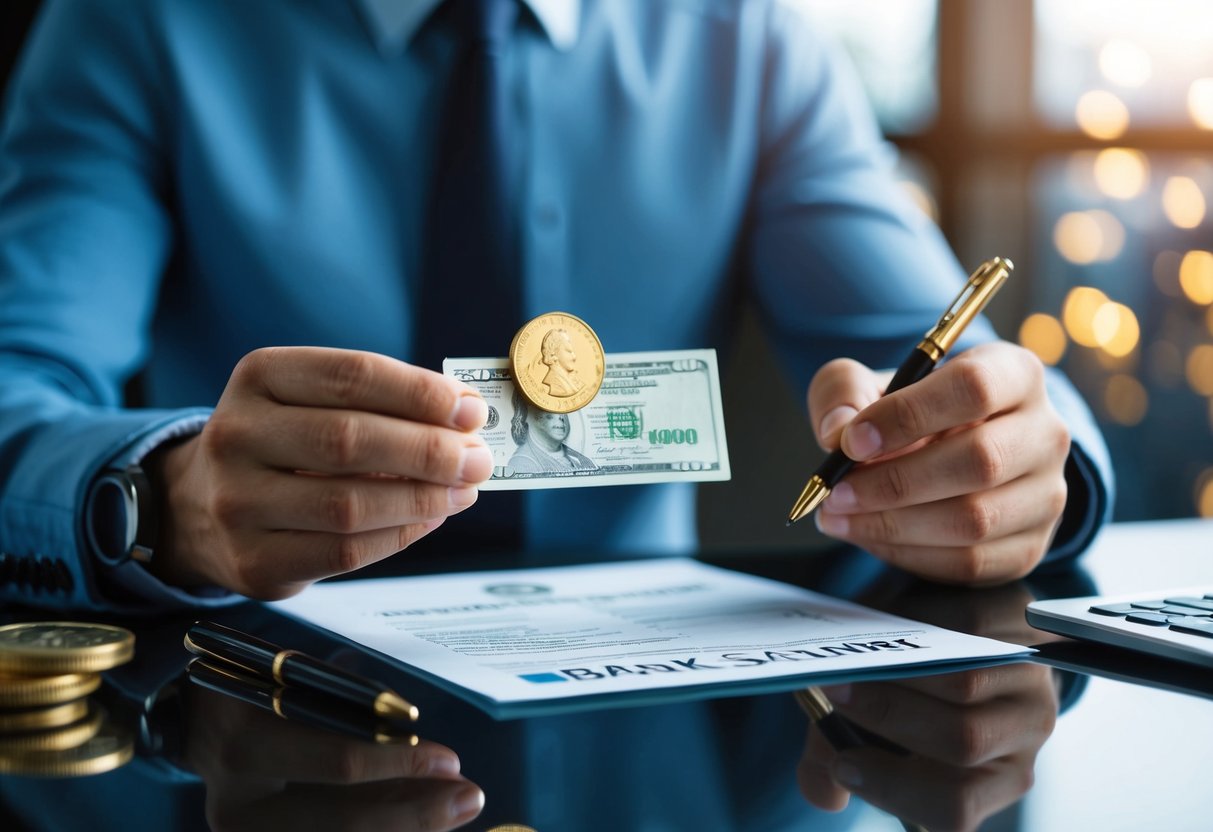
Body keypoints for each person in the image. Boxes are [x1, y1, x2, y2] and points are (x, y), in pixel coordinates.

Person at [0, 0, 1112, 613]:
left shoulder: (750, 39)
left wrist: (1020, 465)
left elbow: (945, 375)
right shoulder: (132, 23)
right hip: (258, 693)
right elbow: (15, 392)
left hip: (636, 702)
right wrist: (164, 496)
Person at [507, 392, 598, 474]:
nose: (560, 416)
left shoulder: (581, 460)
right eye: (546, 406)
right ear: (525, 415)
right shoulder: (521, 463)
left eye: (562, 407)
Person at [536, 328, 585, 399]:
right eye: (569, 351)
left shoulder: (572, 380)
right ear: (554, 353)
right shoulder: (555, 383)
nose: (574, 357)